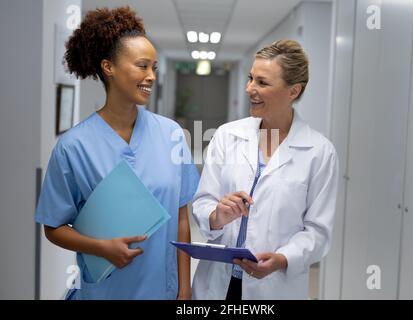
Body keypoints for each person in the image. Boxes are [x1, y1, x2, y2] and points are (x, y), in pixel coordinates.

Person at [35, 7, 199, 300]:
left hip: (164, 288)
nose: (151, 76)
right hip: (107, 289)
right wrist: (101, 248)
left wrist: (185, 289)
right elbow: (54, 227)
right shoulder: (74, 146)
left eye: (154, 68)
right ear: (108, 67)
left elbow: (181, 217)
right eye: (142, 66)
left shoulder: (172, 134)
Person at [191, 40, 338, 300]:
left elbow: (317, 231)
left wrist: (282, 259)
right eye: (250, 79)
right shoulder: (227, 135)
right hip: (217, 283)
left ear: (293, 91)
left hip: (274, 287)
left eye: (262, 83)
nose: (250, 89)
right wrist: (218, 215)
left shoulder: (319, 152)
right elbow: (203, 201)